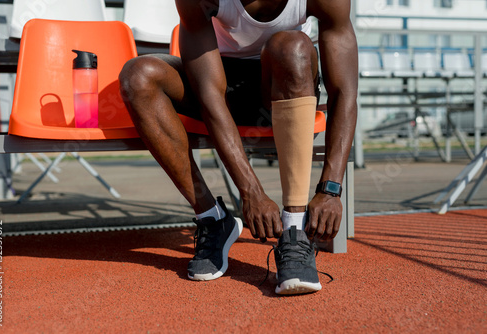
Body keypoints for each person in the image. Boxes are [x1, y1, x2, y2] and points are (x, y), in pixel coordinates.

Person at [119, 0, 358, 295]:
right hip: (220, 83)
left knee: (292, 46)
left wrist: (330, 189)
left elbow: (344, 91)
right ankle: (212, 219)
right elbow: (210, 98)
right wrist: (251, 192)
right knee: (138, 76)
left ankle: (294, 231)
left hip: (285, 83)